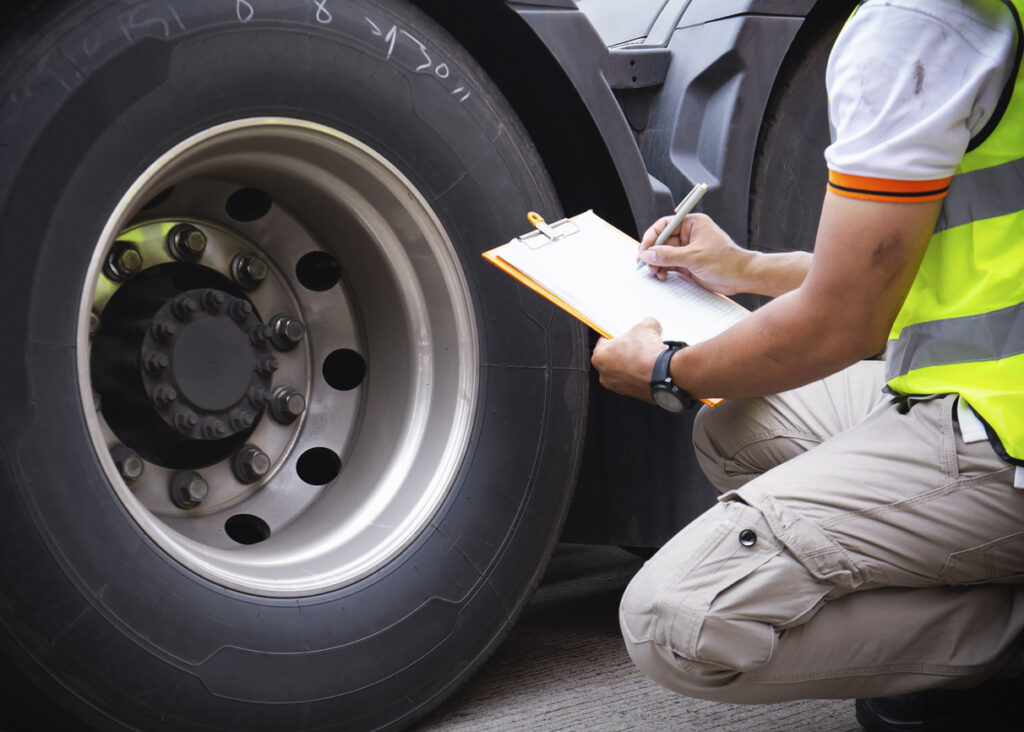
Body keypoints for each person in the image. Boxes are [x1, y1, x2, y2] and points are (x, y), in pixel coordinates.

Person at [590, 0, 1024, 728]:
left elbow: (843, 323)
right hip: (983, 385)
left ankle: (1001, 637)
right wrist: (747, 268)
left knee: (676, 619)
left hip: (1004, 432)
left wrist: (668, 372)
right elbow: (922, 263)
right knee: (740, 429)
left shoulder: (915, 27)